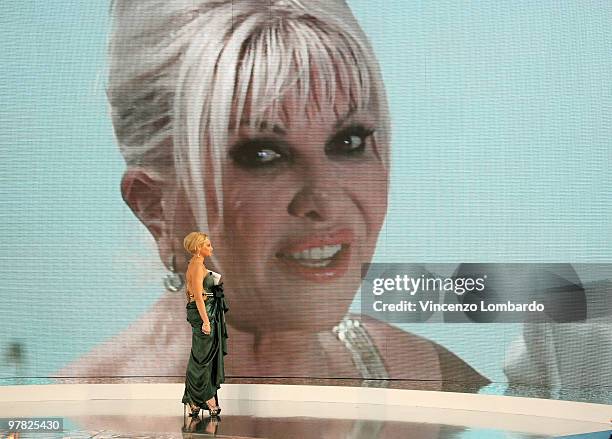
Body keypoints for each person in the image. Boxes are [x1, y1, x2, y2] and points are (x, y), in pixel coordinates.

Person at [54, 0, 489, 390]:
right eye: (262, 155)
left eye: (349, 142)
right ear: (154, 207)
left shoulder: (429, 380)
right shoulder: (58, 417)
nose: (324, 201)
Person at [182, 232, 228, 418]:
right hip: (204, 314)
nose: (211, 248)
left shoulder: (198, 265)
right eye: (208, 245)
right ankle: (206, 397)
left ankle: (194, 399)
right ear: (198, 247)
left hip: (206, 311)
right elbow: (198, 297)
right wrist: (206, 321)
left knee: (202, 356)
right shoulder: (195, 266)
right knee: (202, 358)